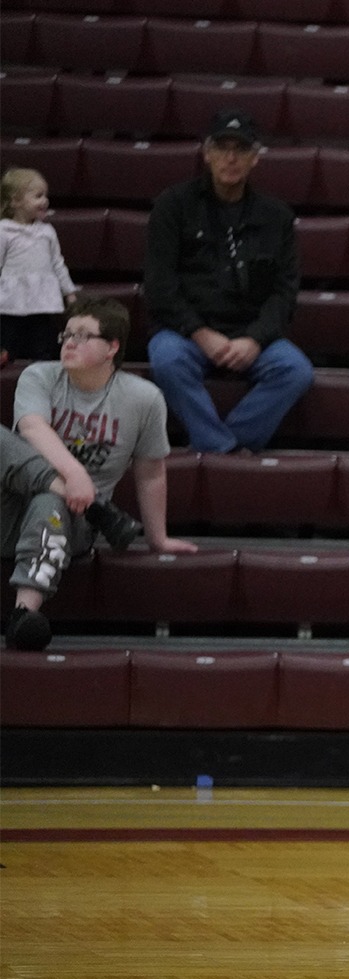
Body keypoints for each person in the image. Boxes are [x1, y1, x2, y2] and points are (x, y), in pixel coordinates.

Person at [7, 298, 195, 650]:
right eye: (67, 334)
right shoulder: (39, 376)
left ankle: (23, 615)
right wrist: (74, 474)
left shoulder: (144, 399)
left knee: (49, 501)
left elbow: (151, 471)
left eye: (83, 335)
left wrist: (159, 539)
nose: (69, 342)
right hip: (10, 512)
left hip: (74, 523)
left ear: (112, 347)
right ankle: (95, 508)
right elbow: (31, 427)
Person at [144, 108, 313, 454]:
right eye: (222, 148)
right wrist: (200, 333)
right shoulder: (172, 206)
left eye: (241, 149)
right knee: (166, 359)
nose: (231, 158)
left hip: (253, 335)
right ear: (207, 153)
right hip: (187, 333)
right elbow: (160, 285)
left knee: (297, 370)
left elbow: (284, 292)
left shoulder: (277, 216)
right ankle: (225, 450)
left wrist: (254, 339)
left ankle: (220, 445)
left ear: (255, 158)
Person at [0, 167, 77, 365]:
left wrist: (69, 291)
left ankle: (42, 370)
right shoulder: (4, 231)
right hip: (11, 302)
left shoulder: (47, 231)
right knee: (9, 342)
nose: (45, 201)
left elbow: (57, 263)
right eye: (38, 196)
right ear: (15, 201)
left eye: (46, 196)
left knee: (42, 343)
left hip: (42, 300)